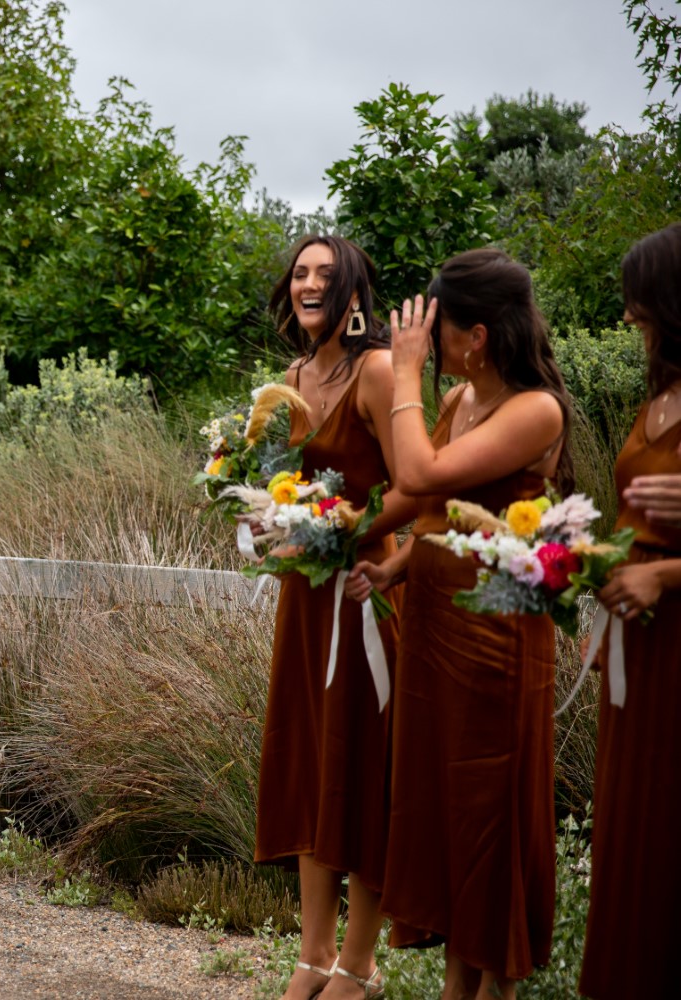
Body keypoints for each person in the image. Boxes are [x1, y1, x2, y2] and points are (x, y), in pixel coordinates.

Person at [350, 249, 571, 1000]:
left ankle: (493, 989)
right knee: (443, 807)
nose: (423, 339)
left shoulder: (535, 410)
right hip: (435, 632)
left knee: (486, 810)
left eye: (435, 328)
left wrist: (403, 374)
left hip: (494, 641)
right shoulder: (459, 400)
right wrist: (392, 564)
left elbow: (419, 473)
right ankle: (456, 988)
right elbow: (430, 511)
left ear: (475, 336)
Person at [255, 236, 415, 1000]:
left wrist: (347, 531)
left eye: (325, 273)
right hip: (305, 597)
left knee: (360, 766)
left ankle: (359, 963)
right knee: (309, 763)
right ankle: (312, 955)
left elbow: (415, 487)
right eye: (299, 273)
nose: (308, 283)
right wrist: (263, 514)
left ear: (353, 294)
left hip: (364, 594)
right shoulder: (289, 379)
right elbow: (284, 485)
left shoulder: (377, 371)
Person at [578, 223, 681, 999]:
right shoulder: (659, 396)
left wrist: (665, 576)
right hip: (635, 650)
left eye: (637, 298)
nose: (626, 315)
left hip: (676, 639)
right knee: (630, 823)